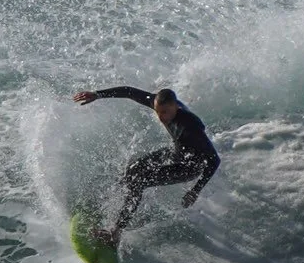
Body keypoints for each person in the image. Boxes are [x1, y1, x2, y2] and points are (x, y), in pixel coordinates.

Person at [72, 86, 219, 244]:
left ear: (176, 107)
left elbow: (214, 160)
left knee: (139, 181)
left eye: (164, 113)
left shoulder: (190, 127)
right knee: (133, 170)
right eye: (157, 111)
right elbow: (130, 92)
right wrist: (97, 95)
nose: (161, 117)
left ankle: (116, 232)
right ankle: (112, 204)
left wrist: (195, 190)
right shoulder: (160, 104)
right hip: (176, 151)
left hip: (189, 166)